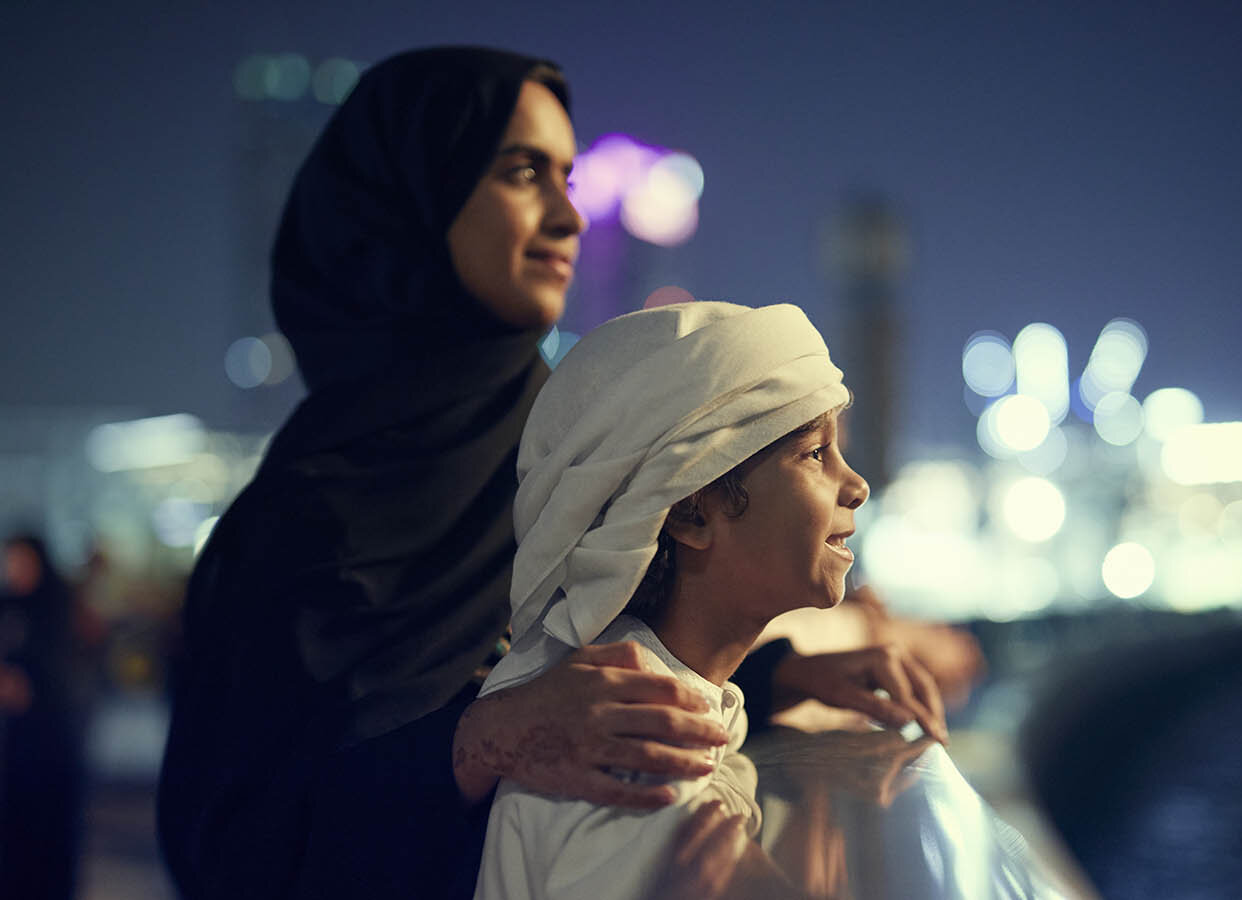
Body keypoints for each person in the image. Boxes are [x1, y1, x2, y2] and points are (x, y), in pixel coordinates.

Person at [158, 46, 947, 900]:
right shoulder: (295, 525)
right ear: (410, 198)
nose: (567, 219)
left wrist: (770, 672)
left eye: (567, 181)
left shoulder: (568, 443)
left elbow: (583, 644)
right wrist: (479, 746)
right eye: (522, 172)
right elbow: (227, 846)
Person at [475, 300, 900, 899]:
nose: (855, 486)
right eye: (814, 453)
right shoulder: (635, 754)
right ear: (690, 510)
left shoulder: (674, 704)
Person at [1, 534, 85, 900]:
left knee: (46, 839)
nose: (15, 570)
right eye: (10, 562)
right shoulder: (8, 606)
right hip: (15, 747)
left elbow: (57, 677)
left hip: (51, 746)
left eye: (22, 561)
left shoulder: (56, 609)